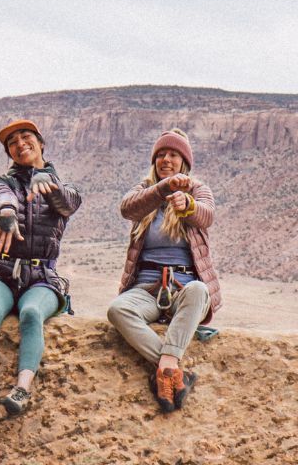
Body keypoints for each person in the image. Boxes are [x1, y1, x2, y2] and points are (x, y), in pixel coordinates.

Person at [0, 118, 82, 419]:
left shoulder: (67, 190)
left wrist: (48, 183)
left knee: (31, 314)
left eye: (26, 137)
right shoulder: (0, 183)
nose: (20, 144)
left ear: (41, 143)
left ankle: (21, 389)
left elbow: (66, 204)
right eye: (12, 142)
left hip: (43, 277)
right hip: (2, 271)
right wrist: (6, 212)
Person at [106, 129, 221, 413]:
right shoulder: (144, 191)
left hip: (183, 286)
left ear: (184, 161)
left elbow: (206, 215)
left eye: (173, 154)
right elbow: (128, 209)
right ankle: (173, 372)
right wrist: (163, 189)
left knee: (199, 290)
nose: (165, 160)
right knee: (118, 310)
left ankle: (164, 368)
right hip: (146, 286)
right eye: (160, 155)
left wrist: (187, 204)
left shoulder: (197, 189)